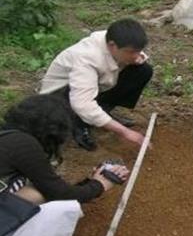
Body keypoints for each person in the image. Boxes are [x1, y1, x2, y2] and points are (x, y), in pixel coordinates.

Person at [40, 18, 153, 151]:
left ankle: (103, 111)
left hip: (91, 85)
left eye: (138, 51)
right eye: (131, 52)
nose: (136, 55)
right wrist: (124, 132)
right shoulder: (86, 58)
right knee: (83, 107)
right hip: (60, 96)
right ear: (112, 45)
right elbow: (82, 104)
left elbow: (134, 54)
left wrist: (137, 58)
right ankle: (79, 124)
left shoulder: (116, 39)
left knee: (142, 70)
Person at [0, 95, 129, 204]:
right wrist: (100, 184)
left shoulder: (9, 137)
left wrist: (89, 182)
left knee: (37, 184)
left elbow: (53, 186)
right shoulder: (24, 144)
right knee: (36, 193)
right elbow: (58, 194)